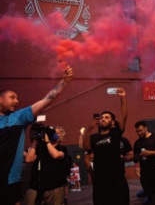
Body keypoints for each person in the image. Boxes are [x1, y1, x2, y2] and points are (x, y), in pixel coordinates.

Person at [0, 66, 73, 205]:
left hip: (10, 181)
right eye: (12, 97)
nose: (17, 101)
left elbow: (47, 100)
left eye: (17, 98)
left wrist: (64, 82)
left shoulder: (19, 117)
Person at [82, 88, 129, 205]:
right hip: (100, 181)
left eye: (107, 117)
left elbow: (124, 116)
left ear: (112, 122)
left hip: (117, 179)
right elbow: (85, 147)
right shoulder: (94, 137)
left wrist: (122, 97)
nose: (103, 119)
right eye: (102, 117)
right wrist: (89, 128)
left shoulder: (115, 133)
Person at [24, 124, 69, 205]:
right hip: (37, 188)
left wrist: (47, 142)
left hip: (54, 187)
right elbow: (28, 159)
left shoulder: (62, 149)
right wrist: (35, 140)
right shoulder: (40, 148)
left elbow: (55, 155)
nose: (54, 134)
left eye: (57, 133)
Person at [133, 121, 155, 205]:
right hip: (145, 174)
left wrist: (149, 153)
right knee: (151, 197)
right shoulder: (137, 143)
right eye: (137, 131)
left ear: (146, 128)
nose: (139, 133)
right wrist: (136, 159)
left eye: (141, 130)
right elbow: (135, 158)